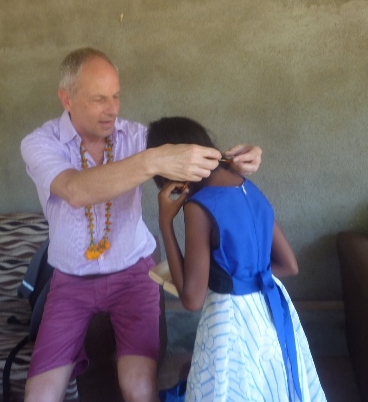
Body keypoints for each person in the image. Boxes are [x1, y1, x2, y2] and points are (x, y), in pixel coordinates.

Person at [20, 48, 263, 402]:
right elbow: (74, 190)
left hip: (133, 275)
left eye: (116, 96)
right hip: (69, 282)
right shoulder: (40, 143)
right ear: (66, 98)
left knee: (139, 388)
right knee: (39, 395)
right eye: (99, 99)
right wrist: (151, 160)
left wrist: (232, 161)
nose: (112, 109)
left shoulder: (136, 137)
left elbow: (193, 157)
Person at [147, 116, 327, 402]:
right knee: (268, 386)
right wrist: (241, 277)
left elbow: (192, 300)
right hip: (270, 310)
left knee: (228, 389)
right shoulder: (248, 187)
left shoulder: (199, 206)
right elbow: (289, 265)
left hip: (230, 321)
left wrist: (165, 223)